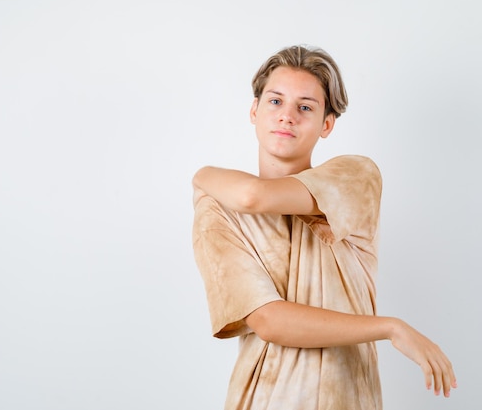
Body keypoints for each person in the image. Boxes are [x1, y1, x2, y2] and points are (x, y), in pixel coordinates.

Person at [192, 45, 456, 410]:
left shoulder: (355, 177)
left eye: (305, 107)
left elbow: (254, 196)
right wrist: (390, 327)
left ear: (326, 123)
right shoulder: (217, 211)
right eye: (274, 101)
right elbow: (268, 319)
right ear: (253, 110)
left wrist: (201, 175)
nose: (286, 117)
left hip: (346, 397)